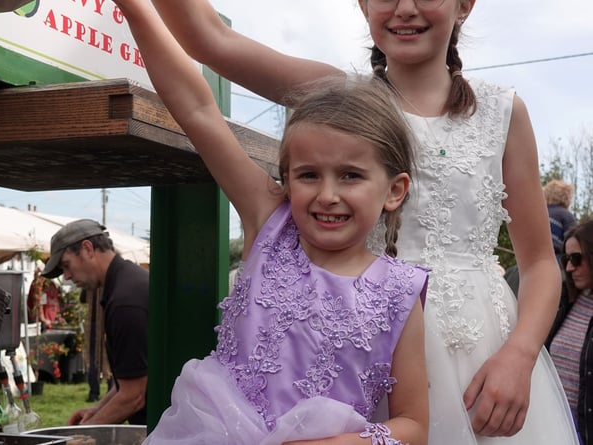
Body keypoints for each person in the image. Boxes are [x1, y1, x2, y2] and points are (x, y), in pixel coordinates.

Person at [145, 0, 579, 443]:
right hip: (350, 354)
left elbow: (540, 264)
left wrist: (520, 356)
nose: (404, 9)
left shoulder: (503, 111)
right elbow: (208, 42)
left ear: (464, 4)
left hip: (483, 358)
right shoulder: (340, 101)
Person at [115, 2, 431, 444]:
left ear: (394, 190)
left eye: (351, 176)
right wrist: (134, 7)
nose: (327, 195)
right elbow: (197, 108)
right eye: (308, 175)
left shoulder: (402, 291)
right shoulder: (270, 221)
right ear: (286, 178)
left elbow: (414, 425)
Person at [41, 219, 149, 425]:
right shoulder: (124, 282)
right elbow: (130, 378)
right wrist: (96, 411)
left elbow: (134, 397)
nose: (66, 276)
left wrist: (82, 436)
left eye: (66, 265)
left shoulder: (125, 302)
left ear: (88, 249)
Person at [546, 220, 593, 444]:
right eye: (566, 259)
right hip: (553, 428)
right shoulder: (565, 301)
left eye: (576, 259)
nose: (569, 268)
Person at [544, 179, 577, 256]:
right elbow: (573, 241)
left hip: (536, 257)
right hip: (557, 257)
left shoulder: (540, 213)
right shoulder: (567, 215)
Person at [27, 260, 62, 329]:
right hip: (43, 325)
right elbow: (38, 301)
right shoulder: (39, 283)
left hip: (51, 323)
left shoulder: (52, 284)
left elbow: (55, 302)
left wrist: (58, 317)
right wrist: (43, 319)